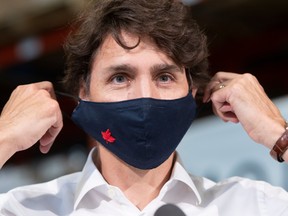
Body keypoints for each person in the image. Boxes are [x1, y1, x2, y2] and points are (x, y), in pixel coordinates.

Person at [0, 0, 287, 215]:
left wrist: (279, 135)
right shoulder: (23, 209)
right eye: (120, 77)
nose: (144, 97)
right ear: (83, 92)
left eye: (164, 77)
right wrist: (4, 137)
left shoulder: (253, 205)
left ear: (193, 91)